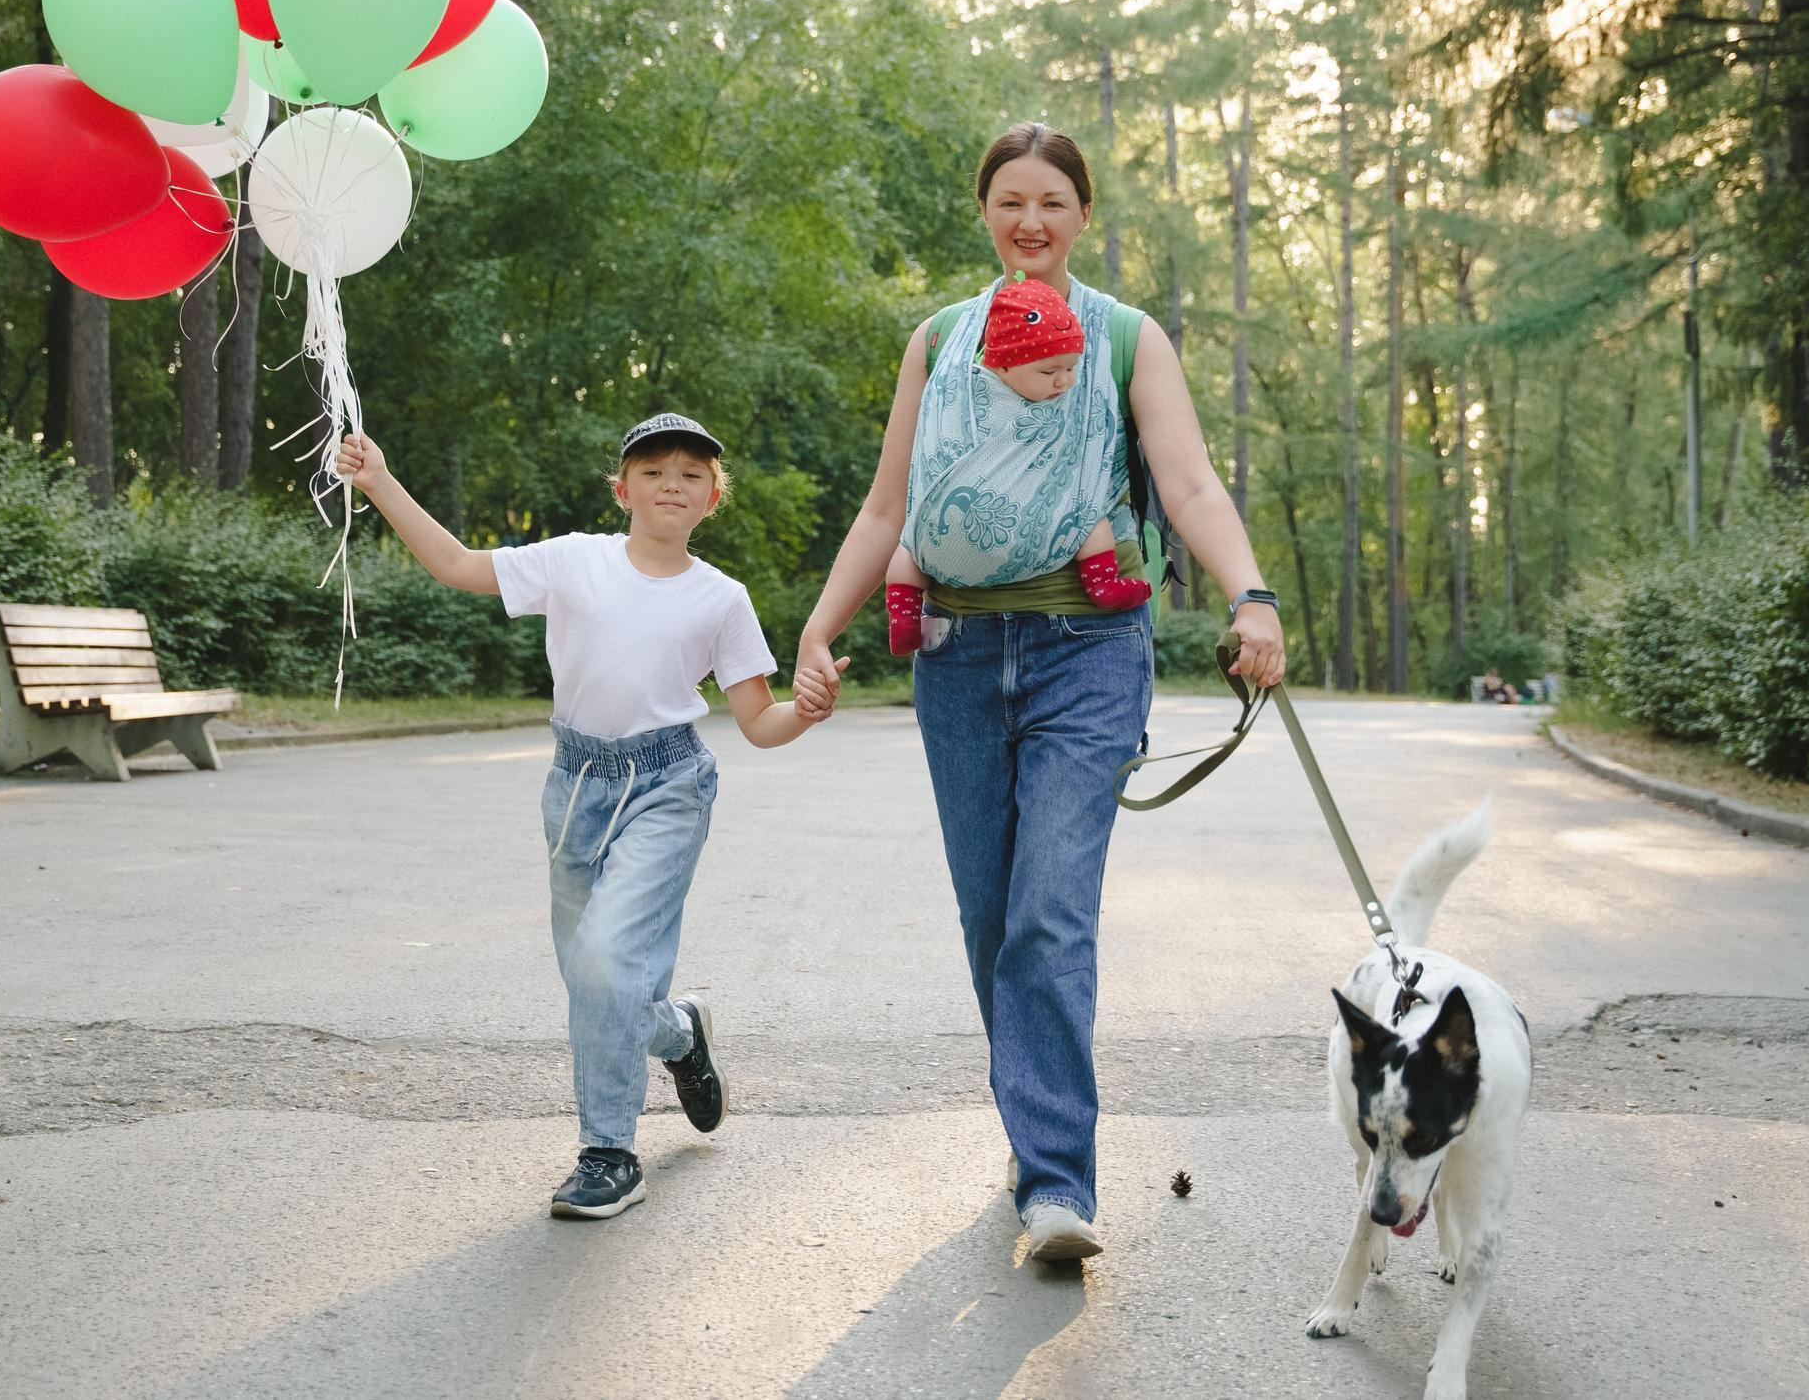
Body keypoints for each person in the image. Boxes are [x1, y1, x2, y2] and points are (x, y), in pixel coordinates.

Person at [796, 122, 1288, 1265]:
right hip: (957, 658)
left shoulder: (1124, 338)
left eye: (1053, 202)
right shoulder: (937, 340)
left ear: (1081, 215)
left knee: (1048, 911)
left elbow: (1190, 479)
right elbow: (885, 510)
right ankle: (1035, 1135)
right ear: (984, 211)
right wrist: (820, 626)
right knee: (989, 918)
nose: (1031, 219)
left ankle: (1058, 1182)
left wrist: (1250, 595)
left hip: (1085, 652)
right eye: (1011, 199)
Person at [336, 412, 838, 1221]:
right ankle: (679, 1033)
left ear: (714, 496)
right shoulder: (573, 561)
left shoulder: (723, 598)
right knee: (593, 981)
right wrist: (379, 479)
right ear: (622, 489)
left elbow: (758, 721)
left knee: (606, 963)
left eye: (690, 473)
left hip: (669, 785)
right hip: (574, 790)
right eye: (653, 470)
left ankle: (608, 1152)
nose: (672, 482)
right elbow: (458, 563)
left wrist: (806, 712)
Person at [881, 278, 1151, 654]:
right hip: (1009, 524)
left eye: (1072, 368)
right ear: (1002, 366)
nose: (1066, 382)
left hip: (946, 540)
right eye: (1049, 372)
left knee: (911, 546)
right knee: (1090, 514)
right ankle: (1103, 583)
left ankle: (903, 614)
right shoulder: (978, 391)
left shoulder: (957, 383)